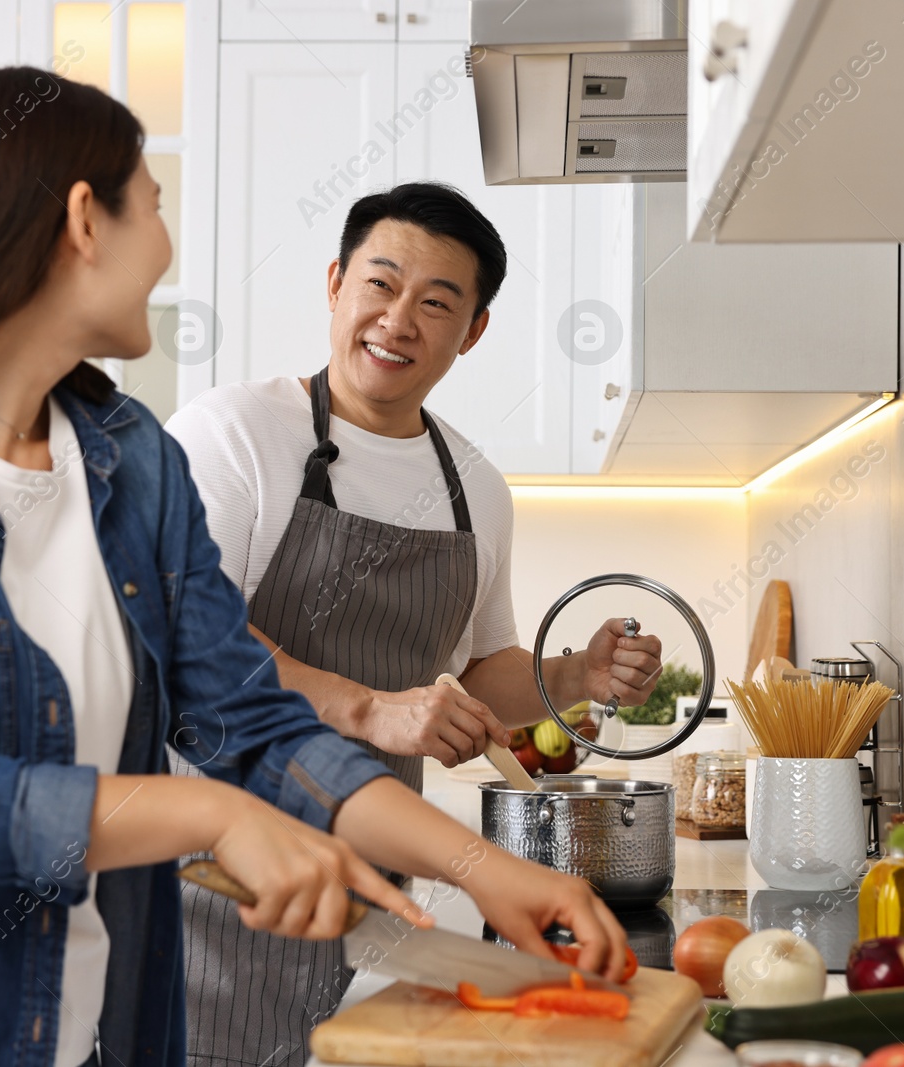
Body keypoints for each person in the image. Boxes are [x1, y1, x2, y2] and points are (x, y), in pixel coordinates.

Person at [0, 69, 629, 1067]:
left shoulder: (127, 455)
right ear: (82, 221)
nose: (167, 246)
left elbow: (248, 714)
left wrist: (482, 868)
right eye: (152, 206)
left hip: (96, 1031)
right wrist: (216, 814)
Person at [163, 182, 665, 1067]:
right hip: (209, 879)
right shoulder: (234, 433)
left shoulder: (476, 486)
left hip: (377, 886)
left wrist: (575, 675)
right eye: (381, 285)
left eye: (437, 303)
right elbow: (192, 641)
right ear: (335, 284)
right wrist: (366, 709)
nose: (398, 320)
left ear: (470, 331)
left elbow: (473, 669)